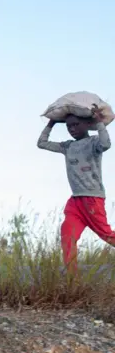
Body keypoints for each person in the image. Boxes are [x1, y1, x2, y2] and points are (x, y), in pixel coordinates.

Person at [37, 107, 115, 272]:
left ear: (87, 124)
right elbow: (41, 143)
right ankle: (73, 279)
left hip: (92, 199)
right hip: (75, 202)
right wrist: (51, 123)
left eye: (75, 125)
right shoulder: (67, 146)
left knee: (107, 235)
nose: (72, 129)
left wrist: (100, 122)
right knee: (67, 235)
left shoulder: (94, 142)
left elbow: (106, 143)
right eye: (68, 126)